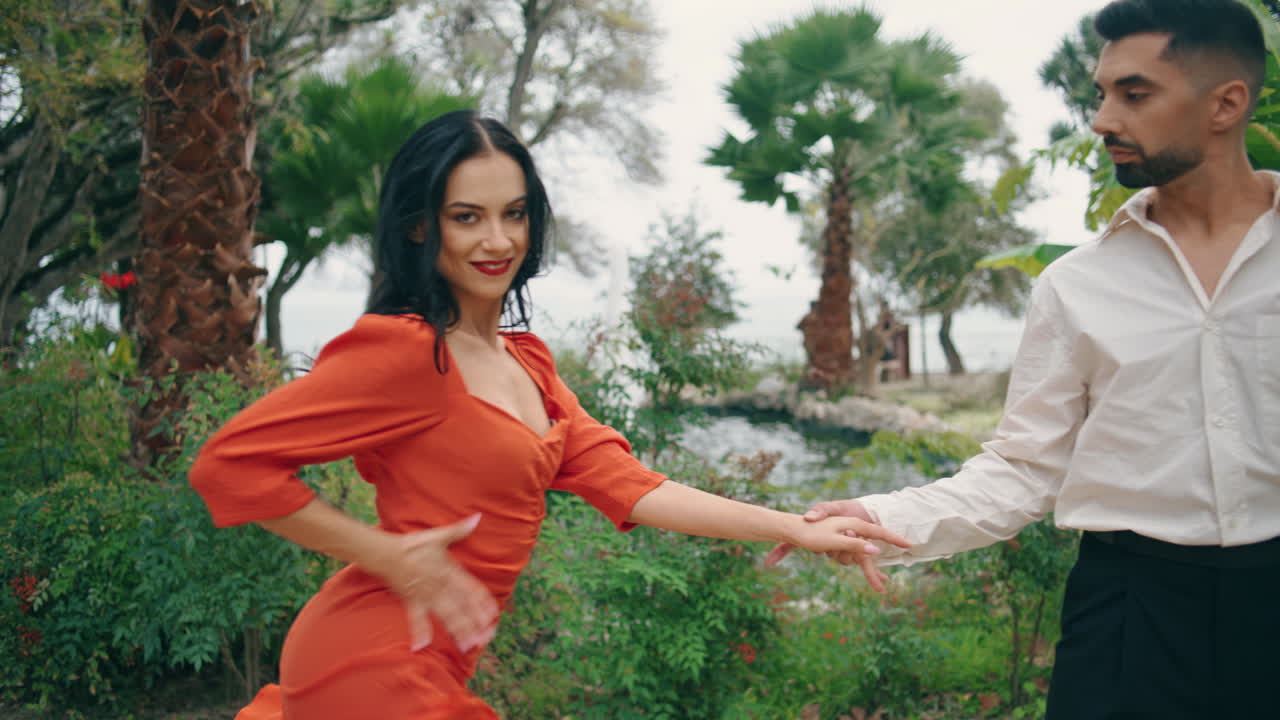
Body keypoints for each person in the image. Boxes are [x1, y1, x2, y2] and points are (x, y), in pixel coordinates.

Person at [188, 110, 908, 720]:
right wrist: (386, 555)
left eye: (514, 213)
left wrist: (794, 527)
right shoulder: (407, 354)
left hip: (430, 660)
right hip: (371, 658)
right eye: (465, 217)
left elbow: (633, 486)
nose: (497, 240)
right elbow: (229, 465)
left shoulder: (528, 363)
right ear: (419, 228)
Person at [769, 1, 1280, 718]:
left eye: (1134, 94)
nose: (1103, 120)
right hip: (1127, 615)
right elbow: (1022, 471)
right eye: (1100, 95)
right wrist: (879, 515)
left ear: (1226, 103)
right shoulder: (1077, 285)